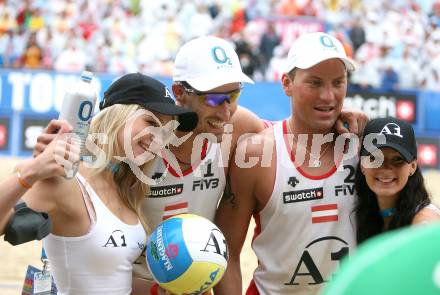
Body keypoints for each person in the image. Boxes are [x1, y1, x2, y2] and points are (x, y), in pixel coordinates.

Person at [32, 36, 368, 295]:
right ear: (179, 92)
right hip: (126, 284)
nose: (225, 111)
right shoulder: (146, 137)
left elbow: (290, 140)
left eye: (233, 96)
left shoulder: (240, 126)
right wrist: (55, 153)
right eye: (214, 98)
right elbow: (78, 180)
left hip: (192, 283)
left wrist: (339, 118)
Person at [0, 73, 198, 295]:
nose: (158, 138)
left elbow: (110, 281)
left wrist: (163, 290)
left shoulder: (126, 188)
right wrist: (30, 172)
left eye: (165, 131)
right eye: (150, 122)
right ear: (118, 116)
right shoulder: (67, 181)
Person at [214, 32, 360, 295]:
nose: (328, 96)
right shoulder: (257, 154)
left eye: (338, 82)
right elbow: (226, 253)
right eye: (314, 83)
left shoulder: (363, 146)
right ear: (286, 84)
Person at [355, 117, 440, 244]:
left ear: (412, 166)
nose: (386, 167)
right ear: (362, 165)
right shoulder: (364, 214)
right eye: (375, 158)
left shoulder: (425, 222)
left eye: (397, 159)